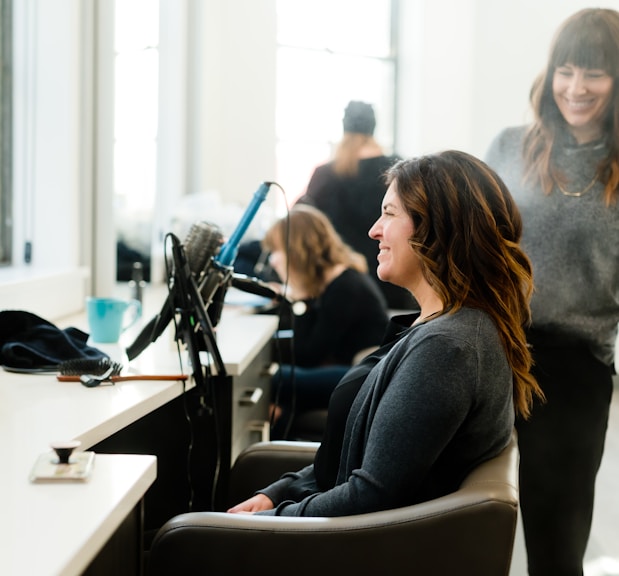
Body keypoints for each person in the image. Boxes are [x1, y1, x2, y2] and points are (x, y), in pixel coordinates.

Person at [227, 149, 543, 517]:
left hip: (342, 547)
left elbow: (368, 496)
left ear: (435, 228)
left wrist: (269, 521)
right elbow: (360, 459)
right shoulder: (443, 329)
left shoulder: (446, 351)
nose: (374, 230)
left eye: (389, 214)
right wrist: (280, 492)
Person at [485, 8, 619, 575]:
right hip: (490, 350)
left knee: (556, 543)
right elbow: (474, 244)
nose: (576, 88)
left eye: (594, 73)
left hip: (573, 369)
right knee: (454, 515)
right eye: (566, 71)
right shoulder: (510, 146)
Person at [262, 203, 389, 439]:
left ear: (296, 251)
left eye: (276, 251)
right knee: (287, 400)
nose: (272, 261)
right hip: (355, 368)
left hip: (364, 376)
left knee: (280, 378)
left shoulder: (344, 288)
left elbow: (308, 355)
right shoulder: (336, 281)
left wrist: (299, 300)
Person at [296, 100, 415, 310]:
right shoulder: (398, 170)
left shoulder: (326, 175)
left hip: (342, 288)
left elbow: (300, 224)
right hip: (394, 282)